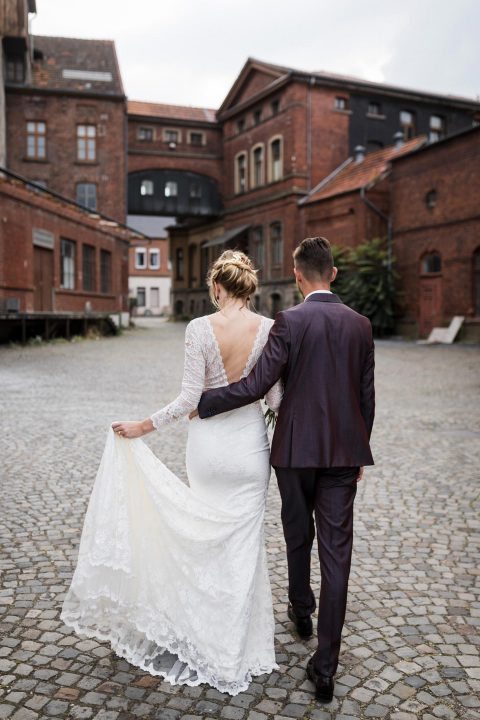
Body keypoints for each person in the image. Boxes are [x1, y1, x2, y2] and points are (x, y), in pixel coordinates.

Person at [60, 250, 282, 696]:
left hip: (208, 449)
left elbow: (188, 400)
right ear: (249, 286)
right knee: (243, 541)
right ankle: (235, 644)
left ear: (217, 287)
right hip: (249, 448)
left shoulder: (200, 329)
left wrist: (142, 426)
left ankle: (200, 628)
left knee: (203, 534)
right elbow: (275, 399)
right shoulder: (271, 330)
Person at [197, 236, 375, 703]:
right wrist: (358, 451)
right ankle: (326, 668)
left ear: (297, 276)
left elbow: (257, 385)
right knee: (337, 555)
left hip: (294, 451)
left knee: (297, 534)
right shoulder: (361, 325)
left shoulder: (289, 322)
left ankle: (300, 610)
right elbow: (365, 398)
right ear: (333, 273)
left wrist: (206, 402)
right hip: (341, 456)